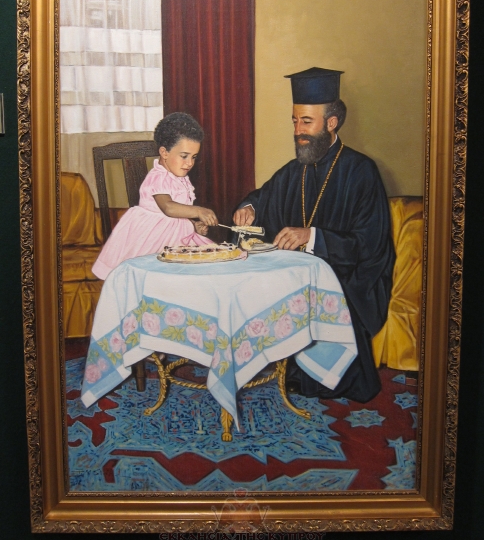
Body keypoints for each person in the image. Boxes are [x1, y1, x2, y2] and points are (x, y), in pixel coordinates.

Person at [233, 67, 395, 402]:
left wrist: (313, 237)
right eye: (295, 121)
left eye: (306, 122)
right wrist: (248, 207)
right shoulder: (295, 170)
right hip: (297, 276)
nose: (298, 131)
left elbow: (370, 246)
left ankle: (320, 378)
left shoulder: (361, 171)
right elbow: (263, 198)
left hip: (347, 278)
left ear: (331, 122)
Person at [92, 112, 218, 280]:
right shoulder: (158, 177)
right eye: (184, 156)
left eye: (193, 157)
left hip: (177, 239)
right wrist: (198, 211)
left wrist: (193, 225)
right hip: (153, 241)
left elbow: (178, 215)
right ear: (164, 152)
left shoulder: (180, 178)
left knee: (210, 263)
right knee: (163, 276)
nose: (189, 163)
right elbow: (168, 208)